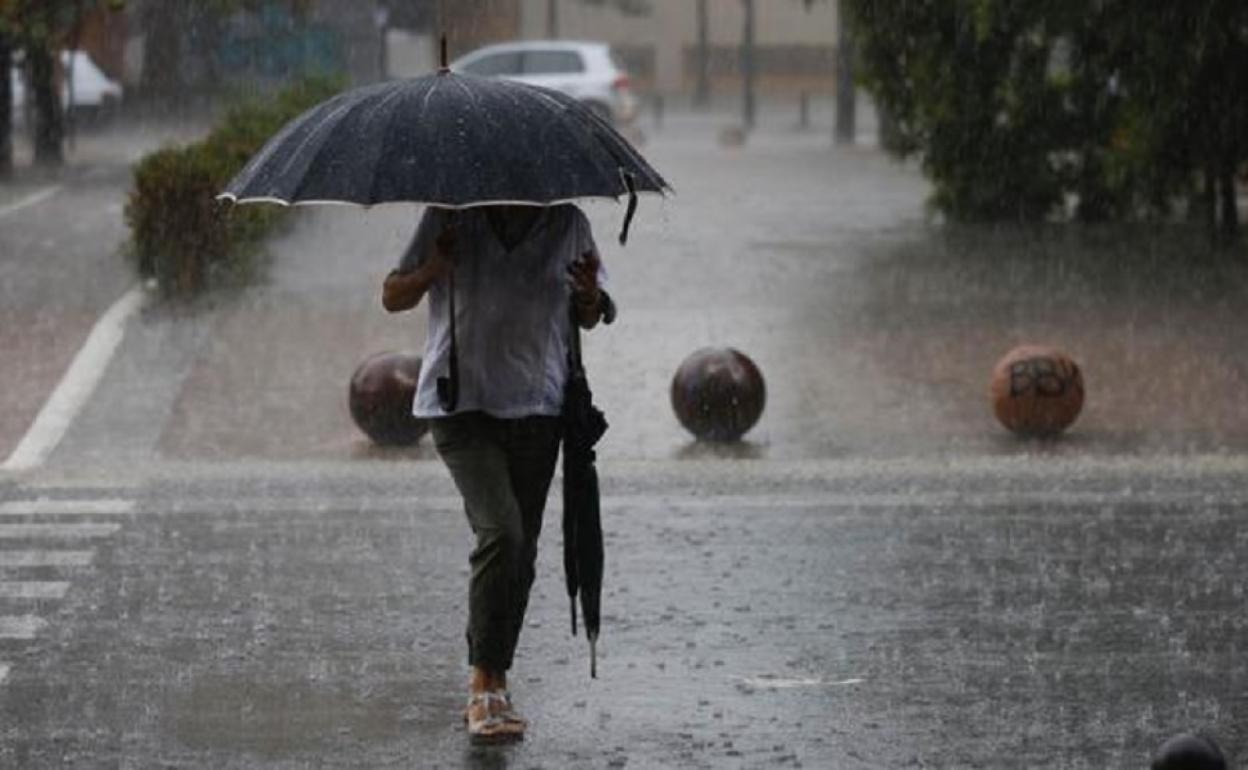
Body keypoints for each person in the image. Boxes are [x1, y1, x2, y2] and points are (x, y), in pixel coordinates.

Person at [381, 203, 611, 743]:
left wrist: (589, 296)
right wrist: (433, 270)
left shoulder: (568, 222)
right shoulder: (448, 214)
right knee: (502, 533)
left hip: (538, 403)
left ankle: (496, 680)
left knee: (521, 553)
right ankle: (481, 682)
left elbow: (591, 313)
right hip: (461, 405)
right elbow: (392, 295)